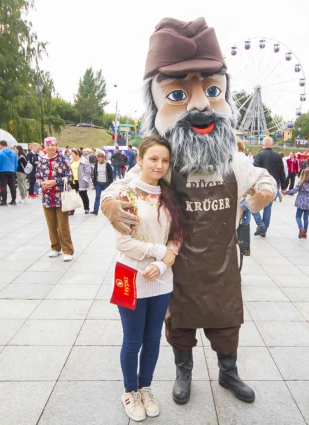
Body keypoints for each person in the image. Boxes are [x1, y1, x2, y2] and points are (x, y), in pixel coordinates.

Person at [101, 17, 277, 406]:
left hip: (222, 265)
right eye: (178, 94)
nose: (199, 103)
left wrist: (264, 193)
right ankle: (184, 372)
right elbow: (119, 186)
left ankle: (228, 372)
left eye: (213, 90)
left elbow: (264, 178)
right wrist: (111, 204)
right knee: (178, 325)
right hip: (174, 265)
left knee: (226, 322)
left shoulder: (232, 161)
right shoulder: (163, 161)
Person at [114, 136, 182, 422]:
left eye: (165, 160)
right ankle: (130, 391)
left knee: (153, 338)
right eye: (153, 158)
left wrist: (166, 263)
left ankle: (146, 387)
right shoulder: (124, 192)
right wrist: (158, 253)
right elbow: (123, 242)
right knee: (133, 340)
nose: (159, 165)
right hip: (130, 274)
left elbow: (178, 235)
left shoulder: (169, 194)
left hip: (162, 278)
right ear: (139, 159)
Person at [36, 137, 74, 261]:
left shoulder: (63, 159)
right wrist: (42, 183)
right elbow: (37, 177)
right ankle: (55, 247)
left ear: (57, 146)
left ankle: (67, 250)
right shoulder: (41, 160)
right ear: (44, 147)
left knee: (63, 224)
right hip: (47, 197)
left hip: (61, 197)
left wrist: (54, 182)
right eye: (48, 145)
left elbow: (69, 177)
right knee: (51, 224)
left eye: (53, 145)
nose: (51, 147)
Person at [252, 136, 285, 237]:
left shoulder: (259, 155)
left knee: (252, 205)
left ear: (263, 144)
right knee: (268, 207)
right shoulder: (278, 156)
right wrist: (284, 186)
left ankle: (260, 223)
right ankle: (264, 229)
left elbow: (254, 170)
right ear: (272, 144)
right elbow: (282, 172)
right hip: (273, 186)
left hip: (261, 184)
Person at [283, 168, 309, 239]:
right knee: (306, 217)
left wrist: (286, 192)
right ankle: (305, 232)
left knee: (298, 216)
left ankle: (301, 228)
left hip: (301, 201)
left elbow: (295, 190)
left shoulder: (301, 181)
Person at [0, 140, 18, 206]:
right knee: (12, 186)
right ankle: (13, 200)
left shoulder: (0, 152)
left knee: (3, 186)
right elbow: (16, 164)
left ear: (0, 145)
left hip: (3, 171)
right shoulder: (13, 153)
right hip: (12, 171)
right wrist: (14, 170)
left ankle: (4, 201)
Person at [69, 149, 92, 215]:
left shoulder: (84, 161)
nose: (72, 155)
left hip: (81, 181)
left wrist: (85, 178)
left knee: (83, 195)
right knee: (72, 195)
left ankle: (86, 209)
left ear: (77, 154)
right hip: (73, 181)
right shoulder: (71, 161)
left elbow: (87, 171)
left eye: (73, 154)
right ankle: (72, 210)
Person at [92, 150, 113, 215]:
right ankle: (95, 210)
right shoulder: (96, 165)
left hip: (105, 183)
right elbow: (95, 174)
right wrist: (94, 183)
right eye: (98, 158)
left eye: (101, 157)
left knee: (108, 197)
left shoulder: (107, 165)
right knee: (97, 196)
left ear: (103, 158)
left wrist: (110, 184)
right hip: (98, 183)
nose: (99, 159)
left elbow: (110, 175)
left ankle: (110, 210)